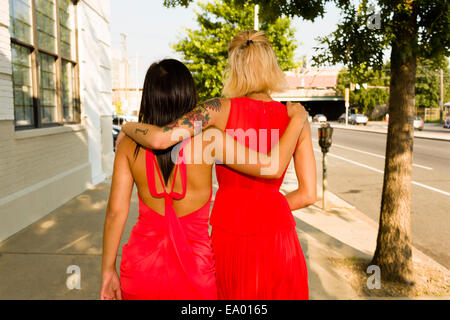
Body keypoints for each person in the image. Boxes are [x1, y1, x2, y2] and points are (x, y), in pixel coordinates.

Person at [118, 30, 316, 299]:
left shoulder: (216, 110)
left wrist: (126, 126)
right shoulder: (296, 118)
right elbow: (308, 194)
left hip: (230, 230)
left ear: (232, 67)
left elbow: (162, 138)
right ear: (272, 65)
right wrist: (267, 206)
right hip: (279, 234)